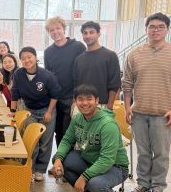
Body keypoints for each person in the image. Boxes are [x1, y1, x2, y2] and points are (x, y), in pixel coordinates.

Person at [122, 12, 171, 192]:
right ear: (146, 29)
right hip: (139, 113)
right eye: (152, 26)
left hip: (164, 115)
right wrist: (128, 108)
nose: (156, 30)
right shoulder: (135, 54)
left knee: (161, 153)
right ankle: (143, 183)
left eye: (160, 27)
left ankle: (158, 186)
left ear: (167, 29)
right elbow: (127, 84)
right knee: (143, 152)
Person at [51, 84, 129, 192]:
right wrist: (58, 159)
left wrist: (84, 176)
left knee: (95, 183)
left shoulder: (107, 124)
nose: (85, 103)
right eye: (80, 99)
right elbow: (67, 140)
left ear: (97, 100)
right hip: (90, 159)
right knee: (59, 160)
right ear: (75, 101)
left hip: (115, 166)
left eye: (89, 99)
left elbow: (107, 159)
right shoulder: (78, 118)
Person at [11, 47, 61, 181]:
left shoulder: (47, 75)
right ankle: (30, 169)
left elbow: (55, 94)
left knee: (45, 142)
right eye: (23, 58)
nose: (27, 60)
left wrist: (49, 112)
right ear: (20, 61)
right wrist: (12, 112)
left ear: (35, 57)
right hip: (29, 110)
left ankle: (40, 170)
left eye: (29, 57)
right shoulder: (18, 74)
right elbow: (14, 93)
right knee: (32, 141)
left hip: (47, 109)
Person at [44, 16, 85, 146]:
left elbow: (84, 71)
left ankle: (69, 163)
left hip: (73, 97)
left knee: (71, 132)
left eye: (58, 28)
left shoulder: (78, 46)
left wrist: (78, 96)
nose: (55, 32)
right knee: (58, 131)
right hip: (56, 99)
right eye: (51, 30)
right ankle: (60, 161)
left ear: (64, 29)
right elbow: (49, 76)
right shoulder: (48, 52)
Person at [73, 21, 121, 110]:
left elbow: (114, 84)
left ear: (98, 34)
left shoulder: (110, 56)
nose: (88, 36)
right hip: (81, 105)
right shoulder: (79, 59)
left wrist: (109, 107)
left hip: (101, 105)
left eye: (91, 32)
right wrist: (74, 104)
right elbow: (76, 84)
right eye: (85, 33)